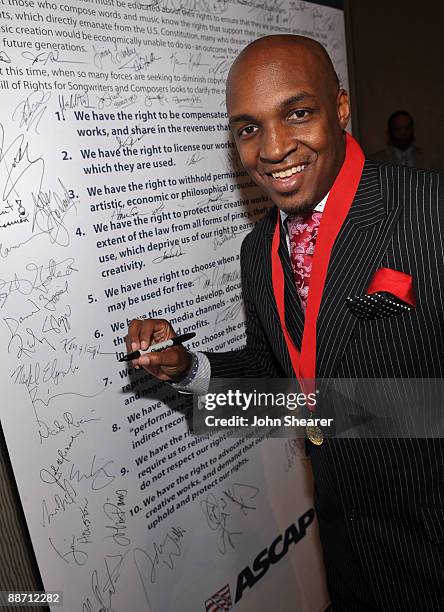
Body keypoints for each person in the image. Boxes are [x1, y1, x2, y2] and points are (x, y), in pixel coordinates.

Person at [126, 36, 444, 611]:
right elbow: (280, 377)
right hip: (348, 551)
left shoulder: (429, 210)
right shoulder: (258, 251)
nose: (273, 148)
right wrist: (188, 367)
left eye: (298, 113)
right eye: (248, 128)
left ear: (341, 109)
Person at [371, 109, 442, 170]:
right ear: (389, 133)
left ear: (413, 130)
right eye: (397, 128)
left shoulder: (430, 160)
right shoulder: (376, 162)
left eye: (407, 128)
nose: (403, 133)